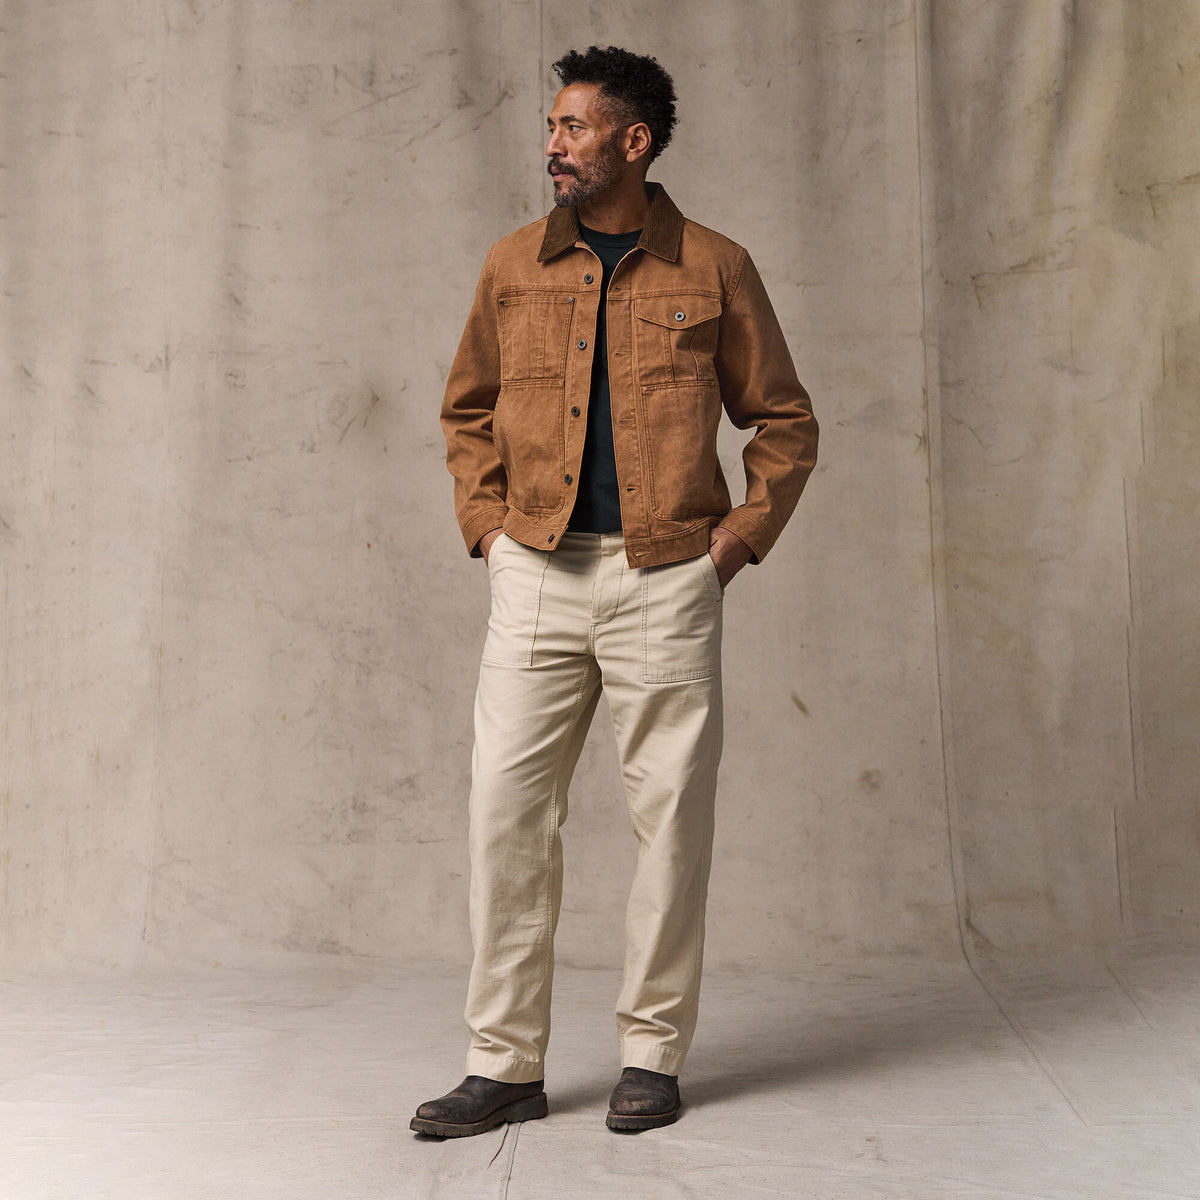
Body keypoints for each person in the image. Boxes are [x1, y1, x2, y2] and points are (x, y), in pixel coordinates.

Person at [412, 45, 817, 1137]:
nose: (553, 144)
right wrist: (490, 532)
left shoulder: (716, 267)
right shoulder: (512, 264)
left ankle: (651, 1056)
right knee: (505, 817)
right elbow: (465, 411)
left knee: (671, 827)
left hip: (667, 577)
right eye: (553, 126)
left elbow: (784, 420)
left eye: (574, 127)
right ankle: (503, 1067)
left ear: (633, 142)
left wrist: (731, 545)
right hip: (536, 573)